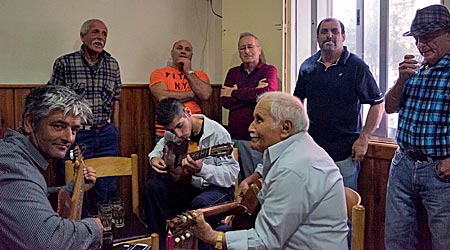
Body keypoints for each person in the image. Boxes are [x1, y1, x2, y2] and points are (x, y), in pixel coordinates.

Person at [190, 92, 348, 249]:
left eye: (259, 120)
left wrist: (212, 237)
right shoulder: (295, 148)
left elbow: (265, 241)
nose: (250, 127)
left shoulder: (293, 169)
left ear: (285, 127)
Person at [0, 85, 103, 249]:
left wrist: (70, 188)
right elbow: (49, 241)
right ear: (30, 123)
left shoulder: (17, 156)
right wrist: (94, 228)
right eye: (58, 126)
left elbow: (28, 196)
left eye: (74, 129)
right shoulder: (11, 165)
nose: (69, 138)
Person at [384, 4, 450, 249]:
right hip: (402, 164)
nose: (422, 45)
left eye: (429, 38)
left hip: (440, 171)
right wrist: (401, 81)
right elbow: (389, 107)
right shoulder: (416, 70)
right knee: (396, 240)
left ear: (449, 33)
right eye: (418, 39)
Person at [293, 18, 384, 191]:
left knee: (345, 210)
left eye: (334, 31)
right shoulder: (307, 66)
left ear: (343, 36)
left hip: (345, 154)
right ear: (317, 38)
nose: (329, 35)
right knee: (314, 205)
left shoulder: (357, 67)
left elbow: (377, 104)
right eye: (324, 31)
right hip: (313, 152)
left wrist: (364, 139)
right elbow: (297, 102)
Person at [143, 97, 239, 249]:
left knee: (199, 205)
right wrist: (153, 157)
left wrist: (202, 169)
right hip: (188, 185)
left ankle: (204, 245)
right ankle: (160, 243)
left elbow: (230, 176)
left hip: (216, 188)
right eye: (172, 130)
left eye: (180, 126)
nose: (178, 134)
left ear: (188, 112)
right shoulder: (173, 132)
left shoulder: (218, 134)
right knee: (152, 188)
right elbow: (162, 143)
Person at [48, 18, 122, 216]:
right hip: (77, 137)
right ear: (82, 36)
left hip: (106, 134)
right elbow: (53, 100)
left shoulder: (113, 65)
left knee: (106, 188)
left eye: (104, 34)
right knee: (76, 188)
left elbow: (116, 100)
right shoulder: (64, 63)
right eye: (95, 32)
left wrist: (115, 130)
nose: (100, 37)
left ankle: (104, 235)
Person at [221, 32, 278, 183]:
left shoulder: (269, 70)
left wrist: (234, 92)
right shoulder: (233, 72)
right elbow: (225, 102)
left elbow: (266, 95)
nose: (246, 51)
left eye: (250, 47)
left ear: (259, 49)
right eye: (242, 48)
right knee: (235, 184)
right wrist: (254, 93)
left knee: (256, 183)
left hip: (257, 139)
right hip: (234, 137)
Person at [150, 40, 212, 143]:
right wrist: (192, 94)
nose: (183, 51)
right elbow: (163, 97)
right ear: (172, 52)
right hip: (166, 132)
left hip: (194, 132)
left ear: (191, 55)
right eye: (179, 48)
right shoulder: (159, 73)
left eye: (187, 50)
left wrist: (188, 71)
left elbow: (205, 94)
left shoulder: (200, 75)